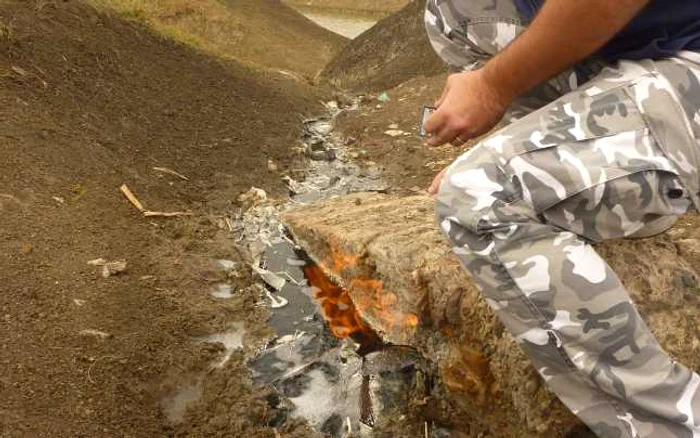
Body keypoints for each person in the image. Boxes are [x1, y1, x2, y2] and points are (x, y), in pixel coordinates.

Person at [423, 1, 700, 437]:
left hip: (686, 67)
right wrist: (522, 146)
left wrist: (492, 87)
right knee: (453, 10)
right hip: (635, 51)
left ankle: (672, 425)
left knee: (481, 194)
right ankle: (593, 179)